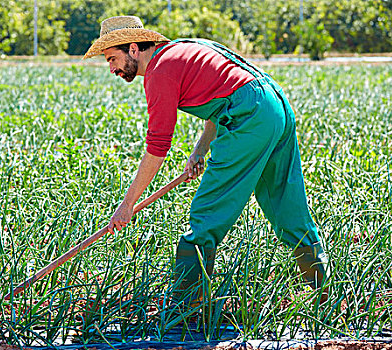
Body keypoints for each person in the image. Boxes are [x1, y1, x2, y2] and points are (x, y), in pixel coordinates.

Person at [83, 16, 329, 306]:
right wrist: (200, 150)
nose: (111, 68)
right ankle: (327, 298)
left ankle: (184, 314)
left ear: (134, 49)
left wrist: (127, 205)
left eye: (112, 58)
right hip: (275, 108)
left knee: (205, 216)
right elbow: (226, 92)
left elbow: (157, 147)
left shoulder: (159, 72)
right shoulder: (185, 48)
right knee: (288, 209)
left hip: (249, 118)